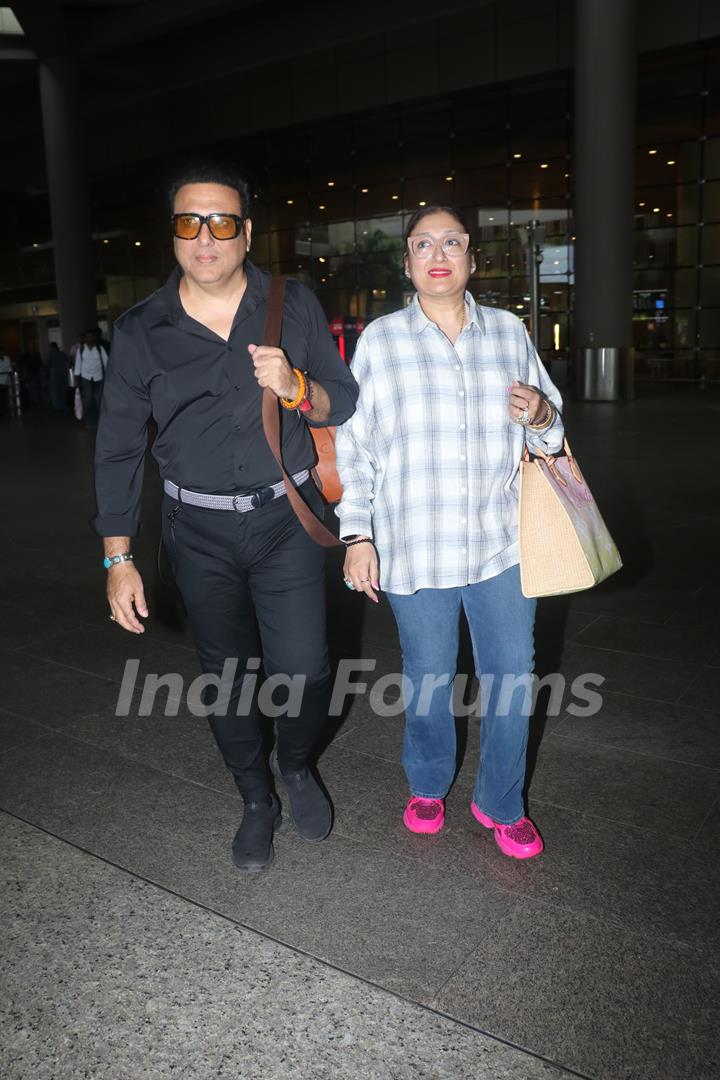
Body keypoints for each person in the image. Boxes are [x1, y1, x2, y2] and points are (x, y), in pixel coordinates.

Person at [94, 164, 358, 872]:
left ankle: (296, 765)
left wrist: (297, 386)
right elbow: (118, 447)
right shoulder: (140, 330)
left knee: (304, 670)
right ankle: (254, 798)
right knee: (228, 678)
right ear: (173, 235)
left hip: (286, 519)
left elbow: (343, 397)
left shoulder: (292, 303)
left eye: (220, 222)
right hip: (197, 531)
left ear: (246, 233)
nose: (204, 236)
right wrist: (118, 558)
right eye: (189, 222)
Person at [335, 206, 564, 860]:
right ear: (407, 262)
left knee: (513, 677)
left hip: (501, 545)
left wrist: (545, 413)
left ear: (471, 258)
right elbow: (356, 446)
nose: (439, 253)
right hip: (415, 546)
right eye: (423, 243)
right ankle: (429, 781)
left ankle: (501, 802)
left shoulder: (510, 334)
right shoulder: (382, 340)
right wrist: (358, 534)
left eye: (453, 242)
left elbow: (548, 430)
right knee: (430, 677)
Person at [74, 329, 108, 427]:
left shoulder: (100, 349)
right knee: (87, 400)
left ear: (94, 337)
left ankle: (99, 420)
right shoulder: (80, 350)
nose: (89, 338)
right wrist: (76, 380)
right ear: (84, 338)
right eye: (87, 336)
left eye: (91, 336)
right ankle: (89, 421)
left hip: (99, 377)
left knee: (98, 399)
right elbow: (78, 365)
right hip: (86, 377)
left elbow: (107, 363)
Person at [47, 341, 70, 411]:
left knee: (55, 391)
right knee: (63, 391)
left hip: (55, 375)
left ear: (51, 347)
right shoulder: (62, 353)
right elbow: (68, 360)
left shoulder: (50, 354)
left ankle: (57, 406)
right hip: (64, 374)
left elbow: (48, 363)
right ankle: (63, 406)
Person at [0, 347, 12, 418]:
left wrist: (8, 371)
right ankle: (1, 412)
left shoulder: (7, 358)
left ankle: (5, 411)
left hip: (6, 380)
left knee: (5, 397)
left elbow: (9, 368)